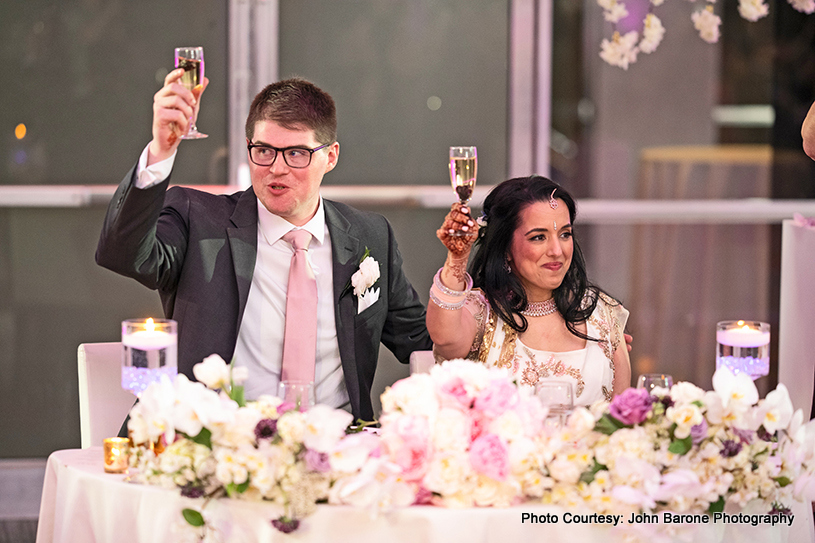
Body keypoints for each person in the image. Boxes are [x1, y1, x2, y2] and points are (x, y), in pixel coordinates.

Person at [96, 71, 431, 421]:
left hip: (335, 450)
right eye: (264, 151)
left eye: (297, 153)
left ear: (330, 157)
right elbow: (122, 254)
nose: (277, 168)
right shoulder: (199, 221)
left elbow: (420, 341)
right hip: (219, 447)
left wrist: (456, 273)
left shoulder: (370, 236)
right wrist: (161, 152)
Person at [427, 176, 631, 405]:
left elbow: (623, 419)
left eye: (565, 234)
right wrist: (457, 258)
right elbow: (443, 336)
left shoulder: (600, 312)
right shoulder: (481, 313)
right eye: (538, 237)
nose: (557, 250)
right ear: (505, 247)